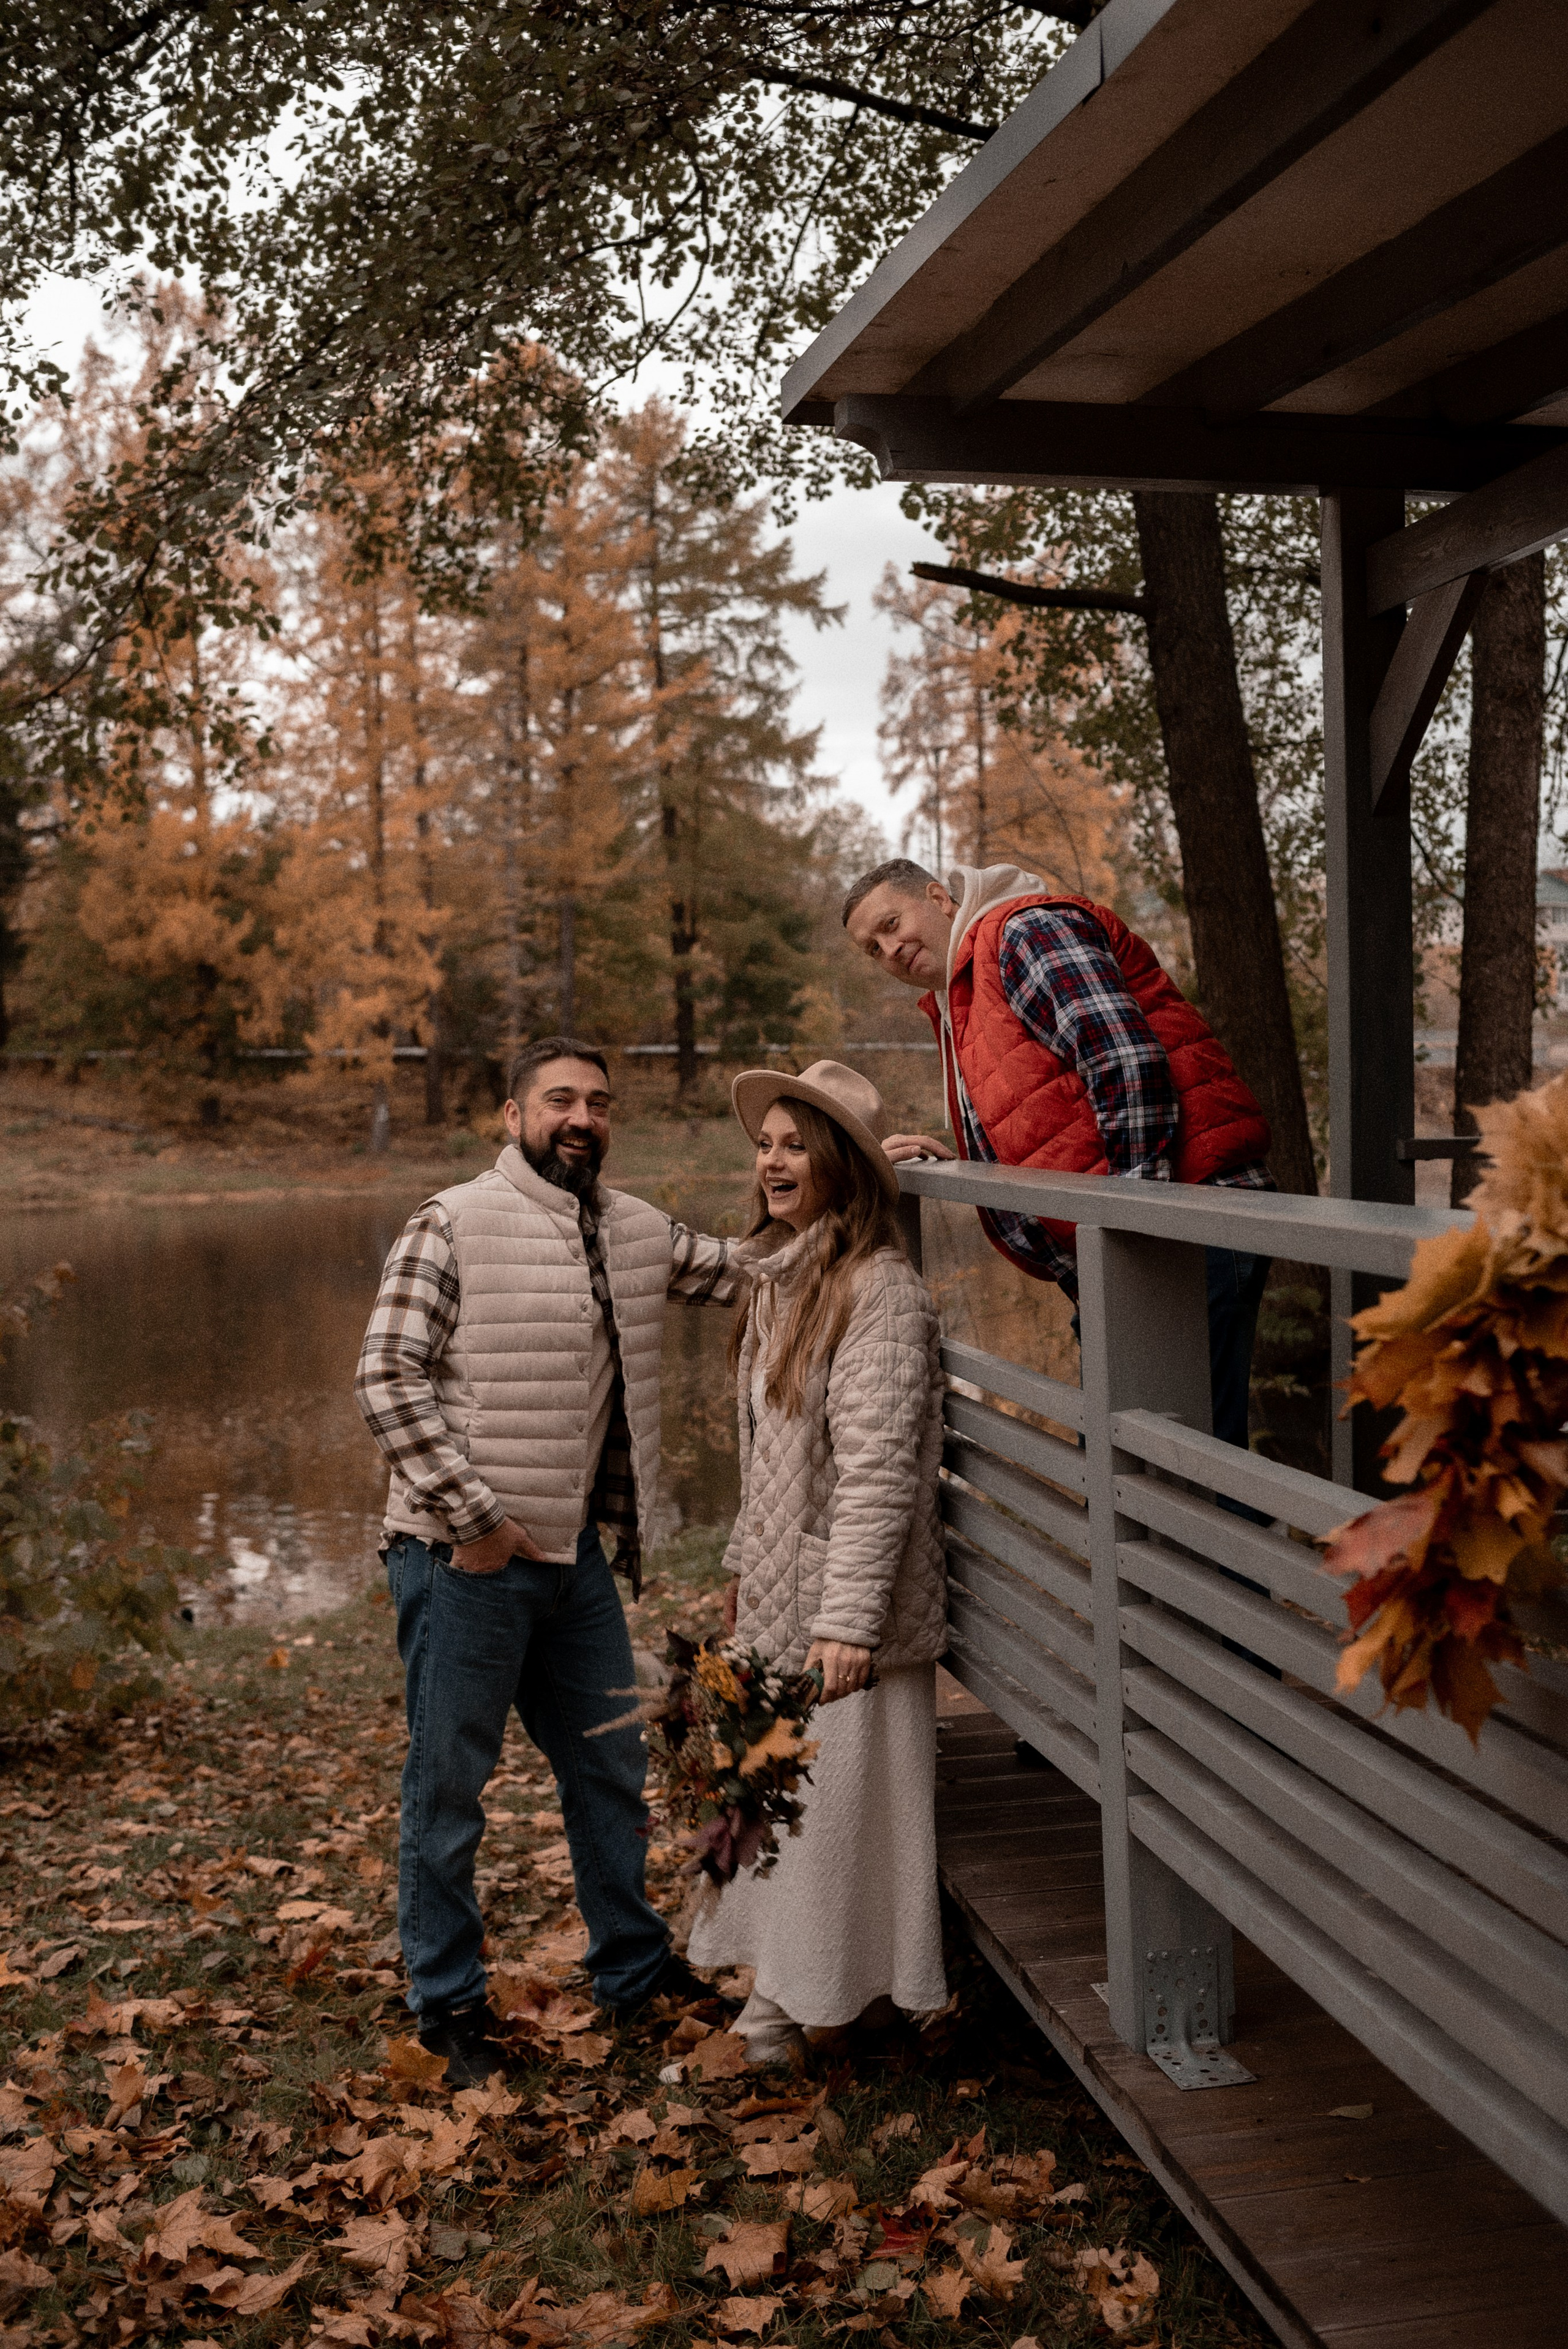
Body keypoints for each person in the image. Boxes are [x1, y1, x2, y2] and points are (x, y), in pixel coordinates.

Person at [354, 1036, 742, 2084]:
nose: (583, 1117)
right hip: (459, 1562)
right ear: (512, 1113)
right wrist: (476, 1520)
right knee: (448, 1794)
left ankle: (631, 1968)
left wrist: (862, 1174)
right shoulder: (451, 1222)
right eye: (561, 1099)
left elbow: (750, 1273)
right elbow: (388, 1378)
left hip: (576, 1568)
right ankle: (447, 2009)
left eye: (601, 1103)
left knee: (611, 1773)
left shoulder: (635, 1228)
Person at [687, 1058, 949, 2066]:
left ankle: (802, 2009)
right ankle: (806, 2000)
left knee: (834, 1821)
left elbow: (881, 1476)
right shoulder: (784, 1277)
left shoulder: (878, 1292)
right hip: (785, 1596)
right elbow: (770, 1465)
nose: (773, 1161)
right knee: (782, 1813)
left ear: (841, 1162)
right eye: (766, 1144)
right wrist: (746, 1568)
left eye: (798, 1144)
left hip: (850, 1615)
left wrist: (847, 1623)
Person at [842, 858, 1274, 1455]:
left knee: (1184, 1470)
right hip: (1127, 1250)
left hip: (1176, 1232)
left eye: (891, 923)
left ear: (939, 898)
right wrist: (953, 1164)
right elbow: (1043, 1113)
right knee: (1138, 1468)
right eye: (872, 948)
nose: (889, 949)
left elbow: (1124, 1062)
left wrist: (1133, 1231)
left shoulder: (1020, 933)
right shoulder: (962, 995)